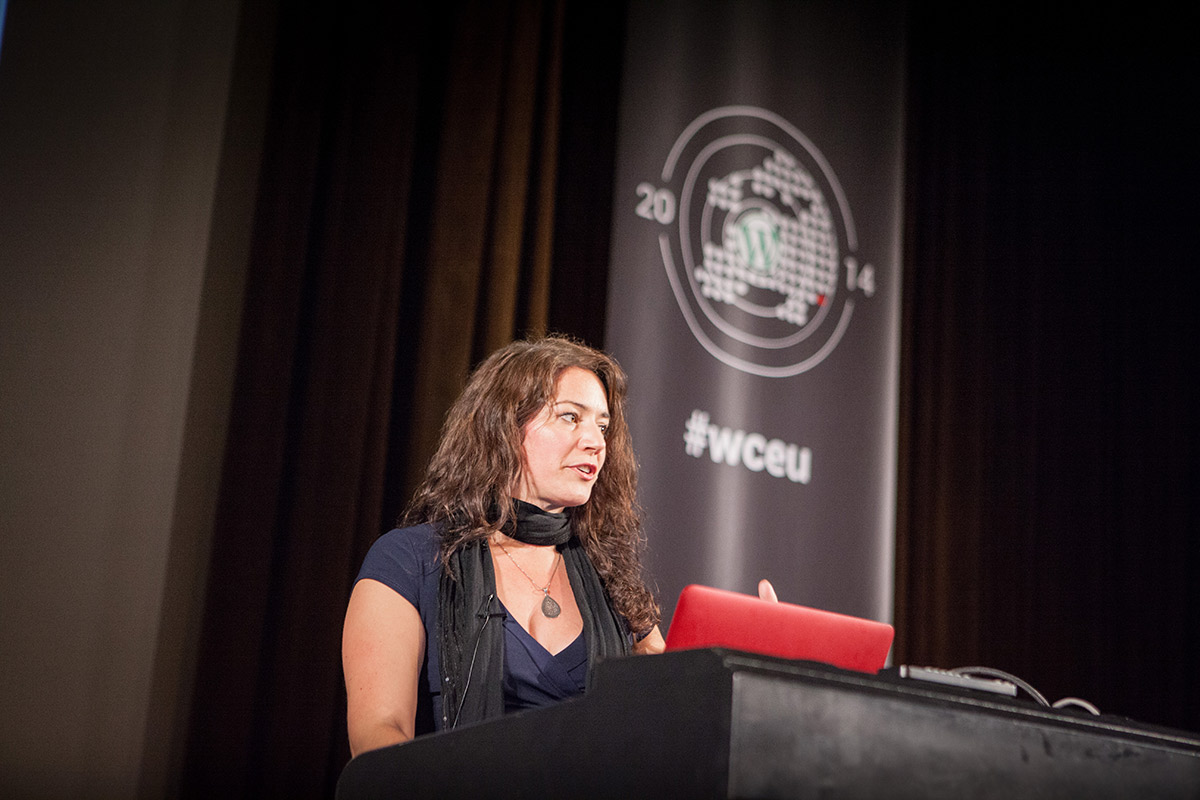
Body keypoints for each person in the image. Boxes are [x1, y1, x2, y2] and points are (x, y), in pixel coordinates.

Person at [342, 335, 665, 756]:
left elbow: (663, 725)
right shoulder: (409, 560)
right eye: (570, 417)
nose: (596, 442)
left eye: (602, 426)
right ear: (504, 428)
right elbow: (377, 740)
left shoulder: (611, 582)